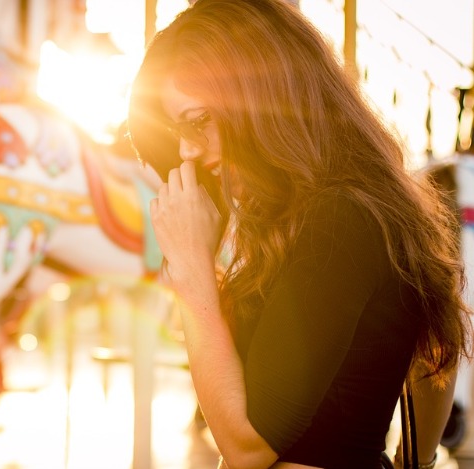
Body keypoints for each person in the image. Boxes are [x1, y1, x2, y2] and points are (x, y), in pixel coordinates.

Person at [126, 0, 472, 467]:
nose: (187, 149)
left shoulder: (338, 217)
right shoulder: (345, 205)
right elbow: (436, 346)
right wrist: (417, 461)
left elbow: (248, 447)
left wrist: (191, 270)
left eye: (199, 119)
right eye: (176, 128)